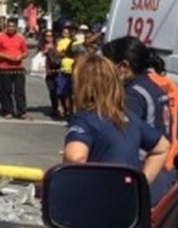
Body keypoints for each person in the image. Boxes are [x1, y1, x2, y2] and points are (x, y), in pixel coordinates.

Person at [101, 36, 178, 203]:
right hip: (165, 164)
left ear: (123, 66)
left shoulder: (133, 95)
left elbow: (123, 140)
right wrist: (174, 139)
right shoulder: (157, 85)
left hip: (146, 169)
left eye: (107, 65)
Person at [63, 54, 169, 185]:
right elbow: (162, 147)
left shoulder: (85, 119)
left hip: (97, 197)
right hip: (127, 196)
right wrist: (141, 183)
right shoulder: (127, 117)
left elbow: (75, 157)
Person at [0, 18, 28, 118]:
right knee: (6, 90)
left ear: (16, 27)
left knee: (19, 90)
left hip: (18, 67)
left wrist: (21, 56)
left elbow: (25, 52)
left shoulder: (20, 38)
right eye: (9, 26)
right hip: (5, 68)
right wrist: (6, 57)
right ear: (6, 27)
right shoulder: (0, 37)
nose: (11, 28)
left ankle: (21, 111)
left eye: (13, 27)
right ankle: (8, 111)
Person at [38, 29, 62, 119]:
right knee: (52, 90)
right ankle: (55, 108)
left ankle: (62, 108)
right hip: (48, 71)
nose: (49, 38)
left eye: (51, 36)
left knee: (59, 90)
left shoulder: (57, 45)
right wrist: (45, 50)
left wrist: (53, 49)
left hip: (58, 70)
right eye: (47, 36)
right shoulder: (42, 46)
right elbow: (39, 57)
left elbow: (61, 55)